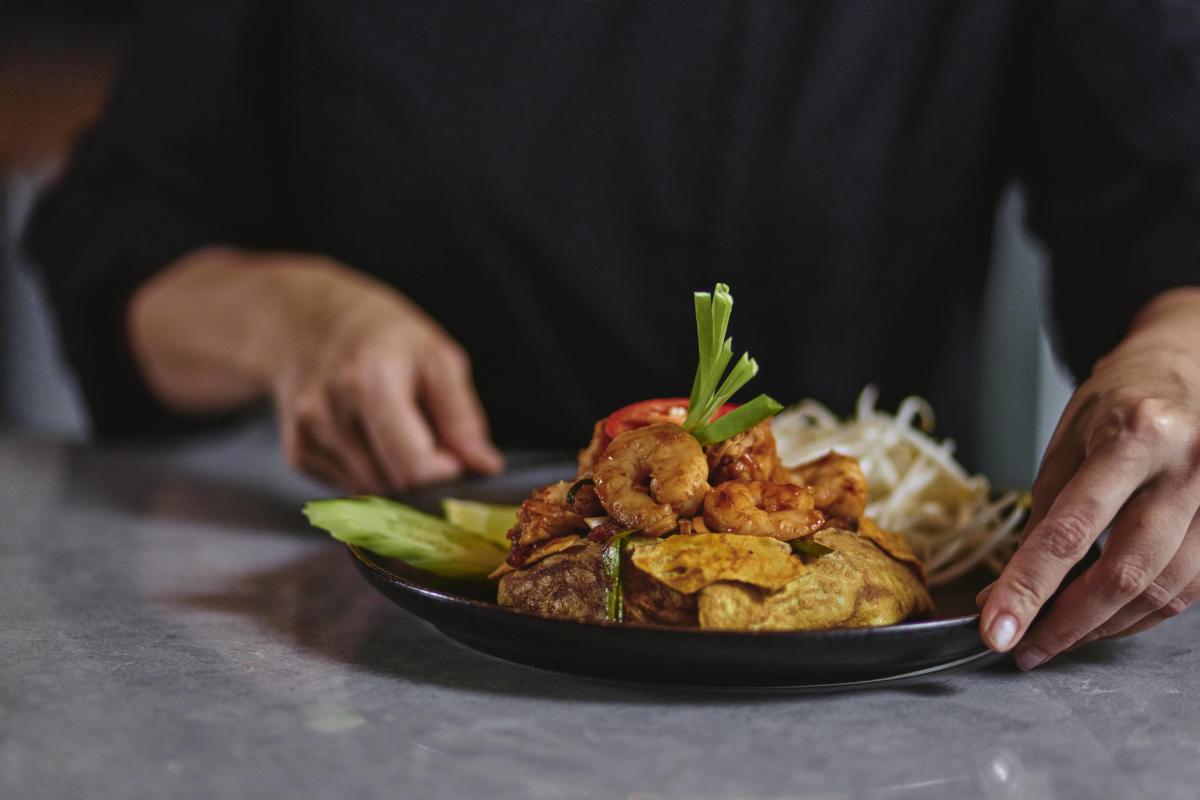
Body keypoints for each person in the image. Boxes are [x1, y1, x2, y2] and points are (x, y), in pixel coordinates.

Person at [24, 1, 1200, 671]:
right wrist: (291, 319)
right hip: (386, 654)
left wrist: (1180, 363)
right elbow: (116, 233)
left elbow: (1167, 199)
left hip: (874, 687)